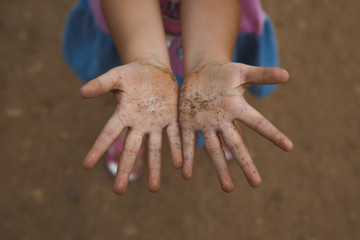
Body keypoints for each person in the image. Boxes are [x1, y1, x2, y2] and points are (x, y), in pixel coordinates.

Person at [63, 0, 293, 194]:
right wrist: (145, 57)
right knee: (132, 97)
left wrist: (208, 60)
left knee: (216, 101)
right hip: (127, 29)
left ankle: (220, 126)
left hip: (216, 30)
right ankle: (130, 132)